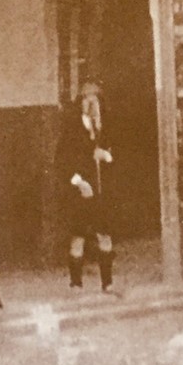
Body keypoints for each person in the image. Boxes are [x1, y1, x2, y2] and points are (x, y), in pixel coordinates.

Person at [56, 80, 115, 290]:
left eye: (95, 97)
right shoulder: (72, 127)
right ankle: (76, 283)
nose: (91, 101)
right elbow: (62, 160)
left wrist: (106, 155)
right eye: (86, 97)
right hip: (80, 189)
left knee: (104, 235)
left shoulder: (103, 127)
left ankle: (107, 283)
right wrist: (78, 182)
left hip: (99, 189)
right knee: (78, 236)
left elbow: (114, 153)